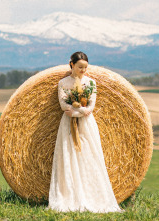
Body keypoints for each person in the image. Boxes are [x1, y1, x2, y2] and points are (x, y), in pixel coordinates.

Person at [48, 51, 121, 213]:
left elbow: (90, 108)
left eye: (85, 68)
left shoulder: (91, 83)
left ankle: (91, 193)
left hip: (87, 125)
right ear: (72, 64)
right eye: (80, 67)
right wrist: (76, 112)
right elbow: (63, 106)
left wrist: (76, 111)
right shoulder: (63, 83)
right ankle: (70, 194)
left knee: (89, 155)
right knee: (69, 154)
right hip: (68, 124)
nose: (83, 70)